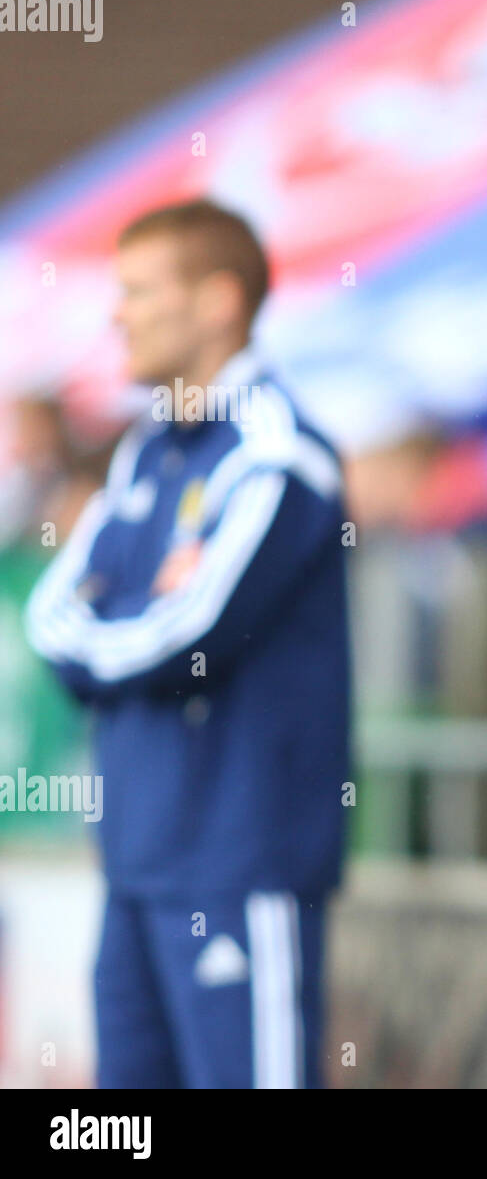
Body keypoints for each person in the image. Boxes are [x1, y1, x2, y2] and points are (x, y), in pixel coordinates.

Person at [25, 199, 351, 1088]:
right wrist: (133, 618)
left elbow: (194, 629)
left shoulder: (282, 455)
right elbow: (49, 614)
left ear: (217, 301)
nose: (116, 315)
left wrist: (116, 623)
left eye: (137, 291)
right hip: (137, 860)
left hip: (239, 863)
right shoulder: (143, 453)